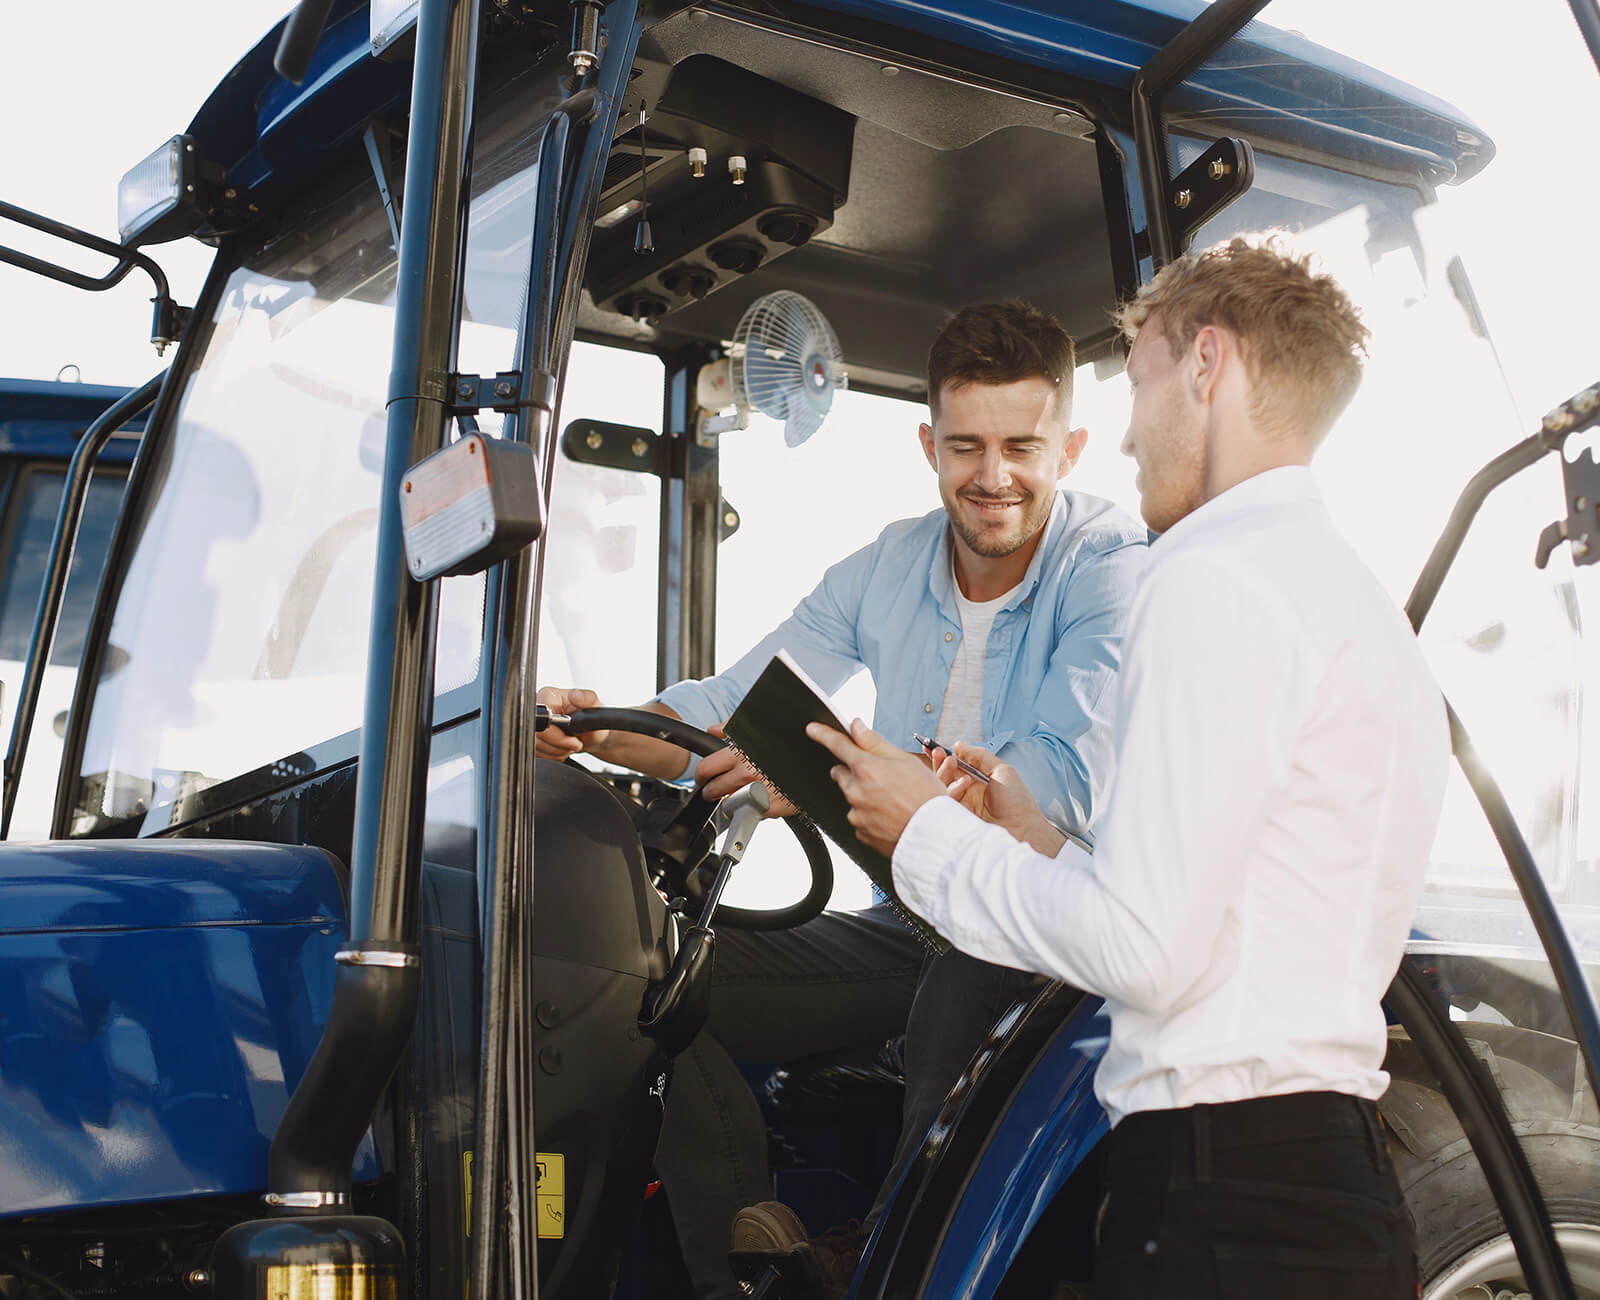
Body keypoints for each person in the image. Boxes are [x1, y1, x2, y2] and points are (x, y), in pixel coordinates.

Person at [808, 236, 1449, 1299]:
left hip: (1215, 1196)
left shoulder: (1208, 576)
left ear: (1206, 364)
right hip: (1327, 1191)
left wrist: (926, 831)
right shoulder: (1351, 600)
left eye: (1141, 383)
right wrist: (1037, 840)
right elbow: (1219, 918)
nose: (1127, 436)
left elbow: (1142, 952)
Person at [536, 300, 1148, 1300]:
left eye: (1020, 448)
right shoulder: (888, 565)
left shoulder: (1112, 568)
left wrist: (820, 774)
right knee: (656, 981)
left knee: (968, 974)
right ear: (929, 445)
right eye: (966, 446)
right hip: (909, 922)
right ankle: (747, 1281)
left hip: (1046, 930)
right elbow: (726, 708)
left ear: (1069, 450)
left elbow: (1050, 775)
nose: (992, 475)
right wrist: (597, 728)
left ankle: (883, 1263)